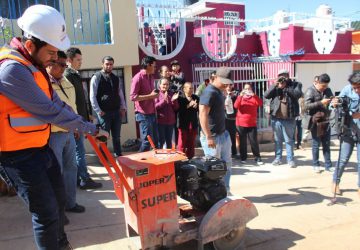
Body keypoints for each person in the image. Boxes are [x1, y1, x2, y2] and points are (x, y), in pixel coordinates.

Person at [0, 5, 108, 249]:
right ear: (30, 45)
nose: (55, 57)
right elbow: (48, 111)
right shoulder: (11, 70)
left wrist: (83, 121)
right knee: (46, 213)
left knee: (59, 203)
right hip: (15, 156)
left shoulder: (33, 65)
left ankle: (61, 244)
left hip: (38, 147)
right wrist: (89, 129)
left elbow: (55, 101)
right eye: (51, 51)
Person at [47, 51, 85, 216]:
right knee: (56, 172)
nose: (63, 68)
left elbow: (73, 106)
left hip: (69, 133)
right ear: (50, 63)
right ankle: (58, 210)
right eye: (60, 64)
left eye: (64, 64)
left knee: (71, 169)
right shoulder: (43, 84)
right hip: (53, 135)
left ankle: (70, 203)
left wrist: (76, 127)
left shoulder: (67, 81)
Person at [65, 47, 102, 190]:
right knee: (79, 152)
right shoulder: (68, 76)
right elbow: (70, 103)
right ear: (69, 60)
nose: (81, 62)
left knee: (78, 152)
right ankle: (84, 179)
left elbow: (80, 101)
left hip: (79, 119)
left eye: (81, 59)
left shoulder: (74, 75)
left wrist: (87, 115)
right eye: (78, 60)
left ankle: (77, 178)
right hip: (75, 122)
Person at [199, 67, 232, 192]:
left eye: (228, 81)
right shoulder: (209, 92)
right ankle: (215, 194)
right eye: (224, 81)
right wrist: (208, 136)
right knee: (215, 169)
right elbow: (202, 114)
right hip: (213, 137)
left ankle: (226, 191)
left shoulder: (218, 91)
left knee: (227, 165)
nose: (226, 84)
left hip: (223, 134)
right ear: (216, 77)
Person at [264, 69, 303, 168]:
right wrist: (275, 85)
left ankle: (290, 160)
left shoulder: (296, 84)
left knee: (289, 140)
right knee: (277, 139)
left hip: (289, 118)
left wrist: (286, 87)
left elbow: (297, 95)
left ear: (288, 76)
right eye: (280, 76)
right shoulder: (276, 86)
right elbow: (266, 95)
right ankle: (278, 158)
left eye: (284, 76)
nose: (283, 78)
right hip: (276, 118)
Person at [90, 56, 127, 157]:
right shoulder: (96, 77)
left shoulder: (116, 78)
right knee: (103, 137)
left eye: (111, 64)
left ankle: (119, 156)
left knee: (117, 137)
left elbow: (120, 93)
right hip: (104, 113)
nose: (109, 66)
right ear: (102, 64)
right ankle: (103, 158)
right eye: (107, 64)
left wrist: (123, 107)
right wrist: (98, 111)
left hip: (116, 112)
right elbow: (92, 96)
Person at [332, 72, 360, 197]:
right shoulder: (347, 89)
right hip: (348, 130)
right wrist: (334, 104)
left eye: (359, 87)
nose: (356, 90)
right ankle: (335, 183)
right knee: (342, 159)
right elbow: (335, 106)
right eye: (354, 87)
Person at [304, 73, 334, 173]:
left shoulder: (328, 90)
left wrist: (333, 102)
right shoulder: (310, 91)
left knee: (326, 144)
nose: (324, 88)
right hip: (315, 121)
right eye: (323, 86)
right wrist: (321, 103)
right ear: (318, 82)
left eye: (326, 86)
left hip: (326, 119)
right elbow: (306, 106)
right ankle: (316, 164)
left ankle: (328, 165)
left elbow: (331, 99)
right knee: (316, 144)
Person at [130, 56, 159, 151]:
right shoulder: (137, 78)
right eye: (154, 66)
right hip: (142, 114)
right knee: (147, 141)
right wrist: (150, 96)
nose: (155, 68)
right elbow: (133, 97)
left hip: (152, 112)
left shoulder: (151, 77)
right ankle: (138, 164)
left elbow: (150, 94)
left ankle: (152, 164)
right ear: (148, 65)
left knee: (154, 141)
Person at [234, 83, 264, 165]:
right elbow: (236, 106)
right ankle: (243, 157)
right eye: (245, 89)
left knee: (253, 141)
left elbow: (260, 103)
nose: (247, 90)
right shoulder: (240, 97)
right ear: (243, 89)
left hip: (251, 123)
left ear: (251, 89)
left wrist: (254, 95)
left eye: (249, 89)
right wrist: (240, 96)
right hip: (241, 123)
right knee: (242, 142)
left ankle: (257, 157)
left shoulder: (254, 97)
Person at [155, 78, 179, 148]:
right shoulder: (157, 94)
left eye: (167, 84)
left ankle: (169, 157)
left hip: (170, 122)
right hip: (160, 122)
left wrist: (174, 100)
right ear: (160, 85)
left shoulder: (171, 93)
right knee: (161, 141)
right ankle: (160, 157)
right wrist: (164, 101)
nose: (165, 86)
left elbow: (176, 108)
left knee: (169, 141)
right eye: (164, 84)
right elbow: (155, 107)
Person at [177, 82, 199, 159]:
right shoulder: (180, 98)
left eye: (192, 88)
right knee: (181, 143)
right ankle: (180, 158)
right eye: (189, 88)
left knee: (191, 143)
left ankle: (190, 158)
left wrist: (196, 106)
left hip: (193, 124)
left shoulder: (196, 97)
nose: (191, 90)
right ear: (184, 89)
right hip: (183, 124)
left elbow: (199, 110)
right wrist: (189, 105)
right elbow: (179, 110)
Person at [224, 83, 239, 158]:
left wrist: (233, 96)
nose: (229, 87)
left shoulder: (235, 94)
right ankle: (225, 153)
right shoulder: (222, 95)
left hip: (233, 119)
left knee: (233, 136)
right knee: (225, 137)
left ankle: (234, 153)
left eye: (230, 85)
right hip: (224, 119)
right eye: (227, 85)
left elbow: (237, 105)